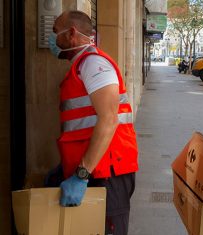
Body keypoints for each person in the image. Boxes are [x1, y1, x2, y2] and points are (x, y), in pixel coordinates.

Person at [48, 10, 138, 235]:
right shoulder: (82, 66)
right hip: (93, 169)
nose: (52, 39)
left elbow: (108, 120)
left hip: (107, 173)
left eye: (55, 32)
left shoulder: (94, 64)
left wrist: (80, 175)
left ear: (71, 34)